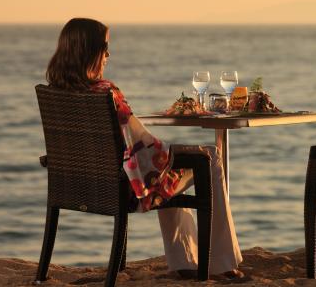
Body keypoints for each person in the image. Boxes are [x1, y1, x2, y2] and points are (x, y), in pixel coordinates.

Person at [45, 18, 244, 280]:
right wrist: (168, 153)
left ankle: (184, 261)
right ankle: (222, 264)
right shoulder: (107, 92)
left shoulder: (55, 94)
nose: (108, 54)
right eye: (104, 47)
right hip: (127, 189)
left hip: (80, 185)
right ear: (89, 51)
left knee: (171, 167)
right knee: (208, 156)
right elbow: (141, 144)